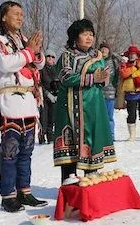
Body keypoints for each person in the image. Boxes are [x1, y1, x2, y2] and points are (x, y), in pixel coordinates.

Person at [0, 1, 47, 212]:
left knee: (27, 150)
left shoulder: (23, 39)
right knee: (10, 150)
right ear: (3, 16)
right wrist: (29, 53)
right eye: (16, 14)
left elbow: (39, 64)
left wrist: (36, 53)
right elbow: (4, 63)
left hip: (29, 100)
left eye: (22, 14)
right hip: (9, 98)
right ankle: (8, 195)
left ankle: (24, 191)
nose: (20, 18)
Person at [53, 19, 117, 183]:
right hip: (70, 106)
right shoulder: (67, 56)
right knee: (71, 142)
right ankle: (69, 182)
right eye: (84, 34)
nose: (89, 37)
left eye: (91, 34)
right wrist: (92, 78)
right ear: (75, 36)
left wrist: (103, 78)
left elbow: (105, 78)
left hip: (93, 105)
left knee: (92, 140)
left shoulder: (97, 55)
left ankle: (91, 180)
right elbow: (66, 77)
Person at [120, 45, 140, 141]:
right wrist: (134, 69)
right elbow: (123, 73)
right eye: (130, 54)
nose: (132, 56)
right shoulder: (124, 64)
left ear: (137, 55)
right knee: (131, 114)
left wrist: (132, 74)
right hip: (130, 93)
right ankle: (132, 135)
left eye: (134, 54)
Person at [100, 42, 122, 141]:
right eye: (102, 49)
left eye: (106, 48)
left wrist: (117, 89)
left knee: (109, 116)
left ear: (109, 50)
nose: (104, 50)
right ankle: (100, 136)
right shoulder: (96, 61)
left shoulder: (113, 61)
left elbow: (118, 75)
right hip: (98, 93)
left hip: (110, 92)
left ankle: (111, 136)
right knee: (99, 116)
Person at [39, 49, 59, 144]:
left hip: (54, 97)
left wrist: (58, 92)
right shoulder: (41, 69)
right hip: (44, 96)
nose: (50, 58)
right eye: (48, 56)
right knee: (44, 118)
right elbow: (39, 84)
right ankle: (42, 135)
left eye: (52, 57)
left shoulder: (56, 69)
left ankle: (50, 136)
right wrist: (47, 93)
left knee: (52, 117)